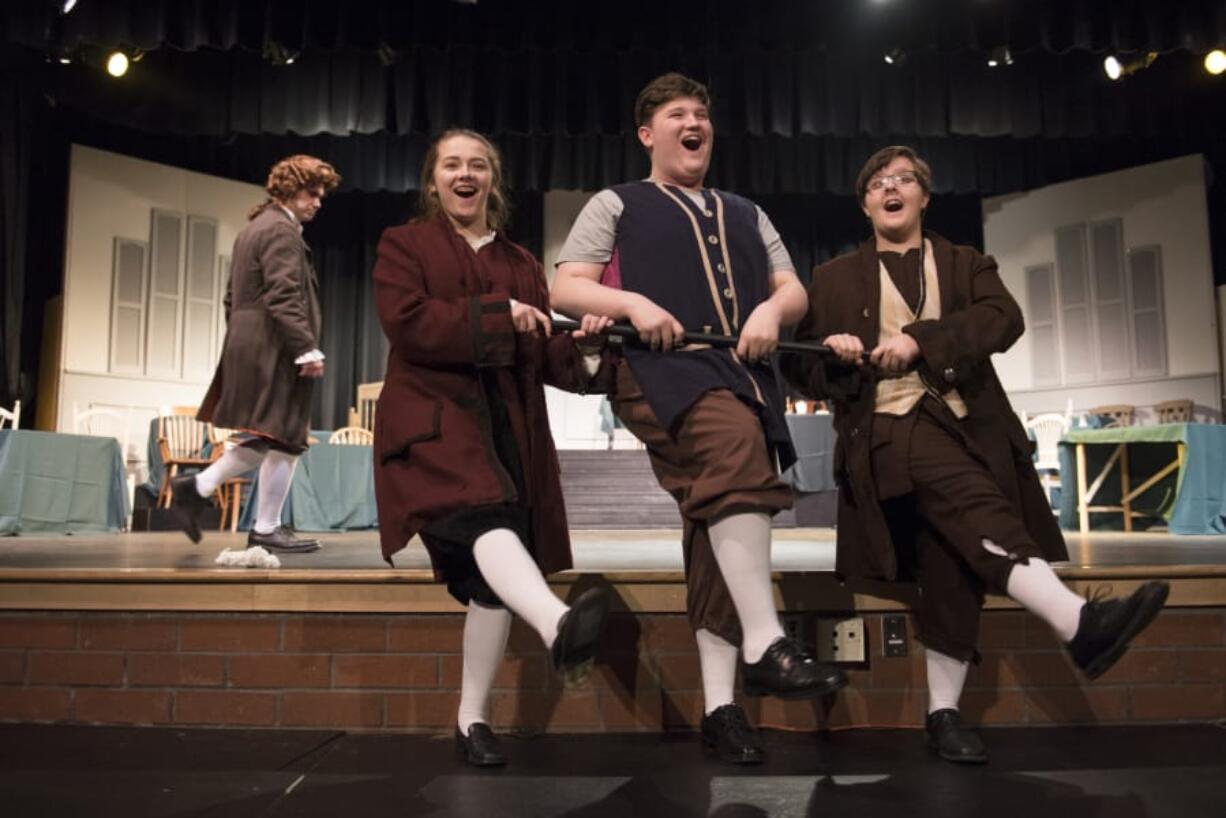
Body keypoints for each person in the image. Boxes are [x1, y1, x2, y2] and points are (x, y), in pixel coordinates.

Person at [781, 145, 1170, 764]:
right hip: (884, 432)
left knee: (953, 564)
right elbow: (796, 367)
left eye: (904, 179)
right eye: (878, 182)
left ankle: (943, 714)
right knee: (964, 494)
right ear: (864, 204)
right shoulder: (829, 279)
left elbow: (1003, 318)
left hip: (970, 431)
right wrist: (833, 350)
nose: (891, 188)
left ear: (924, 196)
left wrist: (920, 342)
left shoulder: (965, 262)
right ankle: (1076, 622)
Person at [551, 73, 847, 765]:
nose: (695, 123)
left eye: (702, 114)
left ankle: (721, 710)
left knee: (713, 526)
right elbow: (564, 284)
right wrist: (633, 306)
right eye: (677, 114)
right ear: (648, 134)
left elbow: (792, 288)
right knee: (733, 455)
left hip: (744, 377)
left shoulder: (746, 211)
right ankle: (768, 642)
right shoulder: (615, 203)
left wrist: (774, 312)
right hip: (660, 370)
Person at [371, 128, 615, 767]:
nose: (465, 173)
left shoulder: (522, 263)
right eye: (452, 164)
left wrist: (585, 345)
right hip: (434, 425)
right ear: (433, 180)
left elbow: (545, 357)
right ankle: (558, 623)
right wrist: (496, 313)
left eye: (477, 165)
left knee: (489, 575)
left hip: (507, 431)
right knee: (482, 513)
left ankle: (471, 721)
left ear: (491, 181)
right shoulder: (405, 246)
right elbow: (410, 324)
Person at [171, 154, 341, 553]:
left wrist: (244, 341)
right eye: (311, 193)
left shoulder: (254, 229)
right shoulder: (281, 231)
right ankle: (207, 492)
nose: (317, 202)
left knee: (277, 437)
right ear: (288, 189)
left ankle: (228, 504)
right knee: (281, 434)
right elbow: (283, 294)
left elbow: (232, 299)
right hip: (274, 346)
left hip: (253, 342)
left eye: (321, 196)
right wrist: (304, 347)